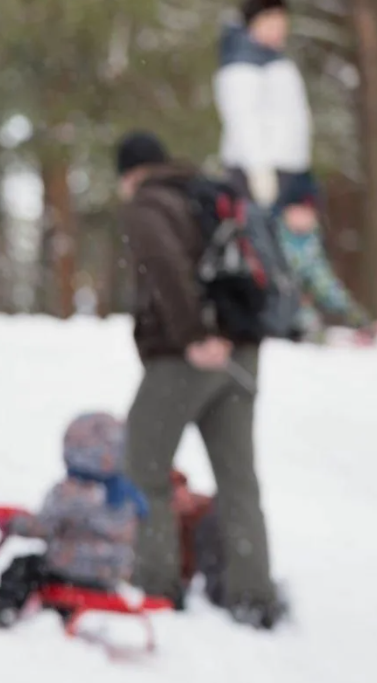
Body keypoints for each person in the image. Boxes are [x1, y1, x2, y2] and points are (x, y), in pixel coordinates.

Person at [114, 130, 282, 628]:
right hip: (243, 349)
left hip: (190, 355)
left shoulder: (149, 204)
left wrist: (193, 335)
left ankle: (155, 587)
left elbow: (166, 265)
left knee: (142, 467)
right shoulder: (204, 194)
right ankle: (252, 595)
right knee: (238, 479)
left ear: (128, 173)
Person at [0, 413, 144, 627]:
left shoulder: (71, 493)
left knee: (24, 567)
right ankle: (62, 610)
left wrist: (14, 523)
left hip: (69, 571)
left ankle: (2, 609)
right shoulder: (127, 495)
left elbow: (44, 527)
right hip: (108, 576)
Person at [272, 173, 377, 343]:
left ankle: (353, 328)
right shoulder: (273, 237)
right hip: (273, 306)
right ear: (287, 210)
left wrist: (350, 311)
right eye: (301, 210)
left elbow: (322, 280)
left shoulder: (309, 242)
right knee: (301, 313)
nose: (307, 217)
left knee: (313, 311)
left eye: (311, 212)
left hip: (296, 306)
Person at [214, 0, 310, 207]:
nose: (279, 30)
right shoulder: (241, 67)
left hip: (290, 168)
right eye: (272, 23)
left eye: (282, 23)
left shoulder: (277, 62)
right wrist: (258, 170)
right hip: (257, 173)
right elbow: (242, 119)